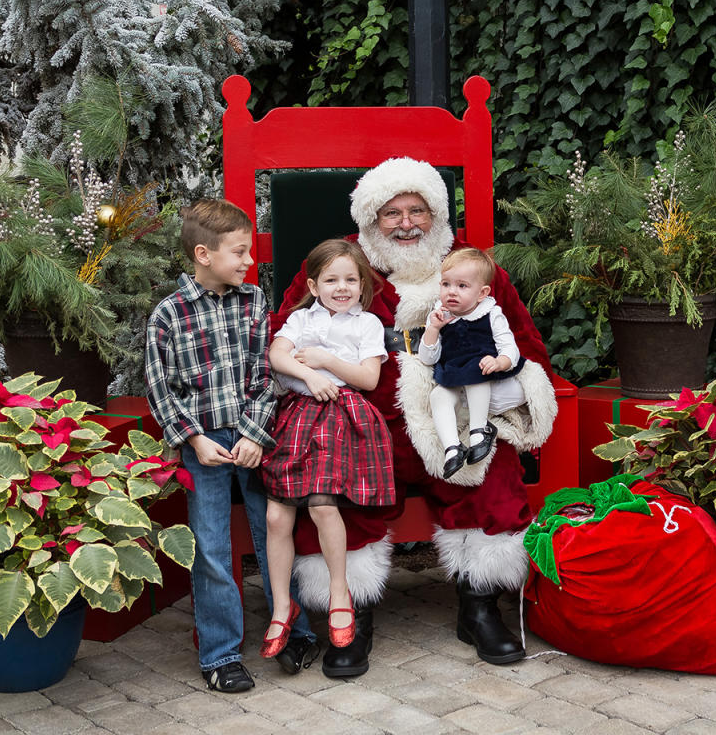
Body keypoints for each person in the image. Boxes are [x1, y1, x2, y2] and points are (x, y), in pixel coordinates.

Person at [273, 157, 557, 678]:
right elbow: (282, 334)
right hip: (362, 418)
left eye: (418, 211)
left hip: (453, 413)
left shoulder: (471, 268)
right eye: (392, 213)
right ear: (371, 219)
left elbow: (524, 343)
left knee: (488, 472)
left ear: (437, 214)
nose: (406, 223)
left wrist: (509, 387)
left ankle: (480, 608)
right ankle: (350, 614)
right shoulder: (341, 264)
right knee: (334, 484)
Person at [144, 198, 318, 694]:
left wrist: (254, 434)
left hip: (253, 437)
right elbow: (160, 389)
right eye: (240, 252)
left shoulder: (255, 303)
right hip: (201, 444)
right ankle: (220, 653)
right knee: (213, 547)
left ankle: (293, 633)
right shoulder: (168, 316)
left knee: (276, 534)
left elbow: (267, 377)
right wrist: (194, 440)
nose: (248, 261)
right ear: (204, 253)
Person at [259, 239, 394, 660]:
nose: (342, 287)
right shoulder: (300, 319)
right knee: (277, 512)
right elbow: (277, 355)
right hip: (298, 416)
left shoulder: (367, 324)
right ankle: (283, 604)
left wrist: (326, 362)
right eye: (332, 280)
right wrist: (308, 374)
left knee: (320, 506)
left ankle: (340, 593)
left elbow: (369, 378)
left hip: (342, 416)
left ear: (362, 286)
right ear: (314, 286)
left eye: (351, 280)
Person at [419, 248, 526, 478]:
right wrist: (433, 329)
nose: (451, 292)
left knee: (474, 371)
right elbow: (428, 358)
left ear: (482, 293)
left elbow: (510, 348)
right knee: (438, 396)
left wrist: (500, 361)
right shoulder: (439, 316)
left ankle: (480, 430)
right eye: (445, 284)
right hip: (453, 376)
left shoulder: (491, 313)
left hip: (485, 371)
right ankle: (452, 448)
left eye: (462, 286)